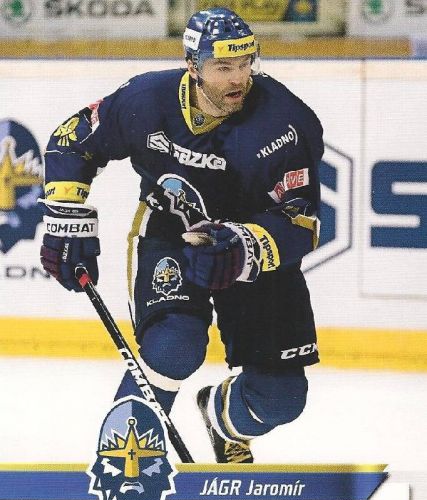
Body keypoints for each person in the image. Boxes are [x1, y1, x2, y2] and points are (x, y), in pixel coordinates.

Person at [40, 7, 324, 464]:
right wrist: (66, 219)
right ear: (193, 65)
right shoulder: (146, 99)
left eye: (246, 63)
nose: (239, 78)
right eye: (224, 66)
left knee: (280, 399)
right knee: (173, 347)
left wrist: (244, 246)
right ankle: (125, 460)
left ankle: (221, 418)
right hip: (172, 233)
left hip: (252, 250)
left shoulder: (285, 122)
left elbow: (302, 219)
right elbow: (73, 141)